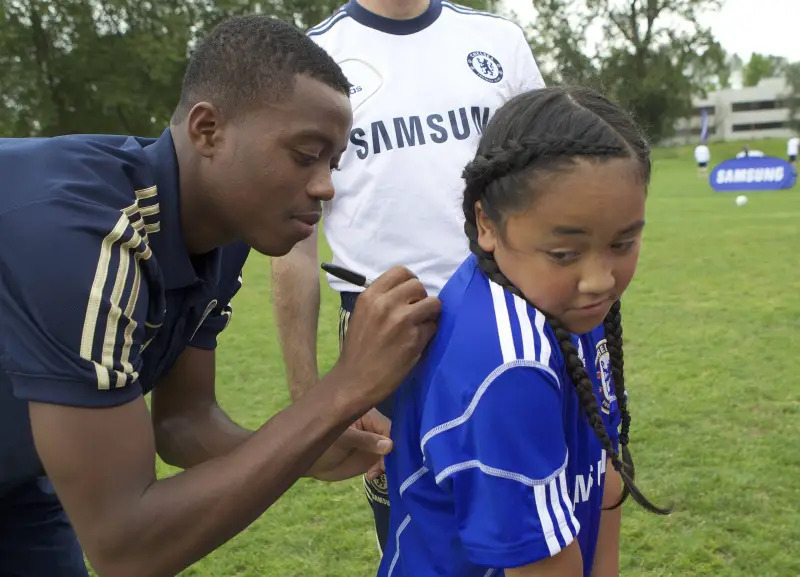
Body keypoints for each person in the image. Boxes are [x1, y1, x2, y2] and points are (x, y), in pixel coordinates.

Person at [0, 15, 440, 577]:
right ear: (208, 130)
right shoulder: (91, 235)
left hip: (18, 482)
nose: (328, 185)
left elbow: (184, 424)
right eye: (306, 154)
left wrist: (310, 446)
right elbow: (126, 546)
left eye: (333, 162)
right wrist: (344, 389)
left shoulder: (223, 235)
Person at [271, 0, 545, 551]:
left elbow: (549, 188)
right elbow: (293, 242)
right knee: (414, 537)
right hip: (383, 331)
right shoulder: (309, 58)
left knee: (531, 518)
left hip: (507, 319)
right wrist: (312, 402)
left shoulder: (500, 40)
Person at [377, 86, 671, 577]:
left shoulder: (566, 304)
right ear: (486, 224)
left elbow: (603, 472)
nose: (601, 280)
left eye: (623, 242)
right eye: (564, 253)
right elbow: (543, 565)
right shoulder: (507, 365)